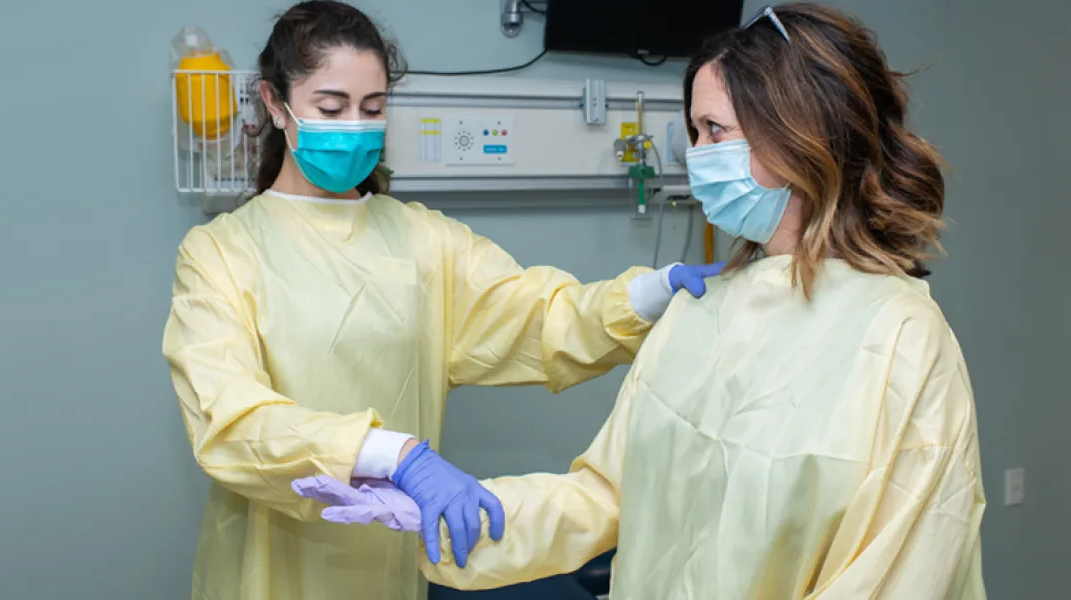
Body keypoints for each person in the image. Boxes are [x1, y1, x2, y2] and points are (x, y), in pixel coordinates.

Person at [401, 3, 988, 599]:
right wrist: (464, 515)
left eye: (715, 131)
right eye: (695, 132)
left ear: (797, 133)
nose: (696, 154)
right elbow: (608, 496)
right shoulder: (701, 309)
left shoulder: (902, 339)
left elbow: (901, 575)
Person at [160, 2, 721, 599]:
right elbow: (230, 419)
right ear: (276, 104)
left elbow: (540, 317)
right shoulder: (218, 253)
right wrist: (393, 454)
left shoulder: (423, 241)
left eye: (372, 109)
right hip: (266, 565)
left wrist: (648, 294)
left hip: (391, 559)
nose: (353, 125)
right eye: (331, 107)